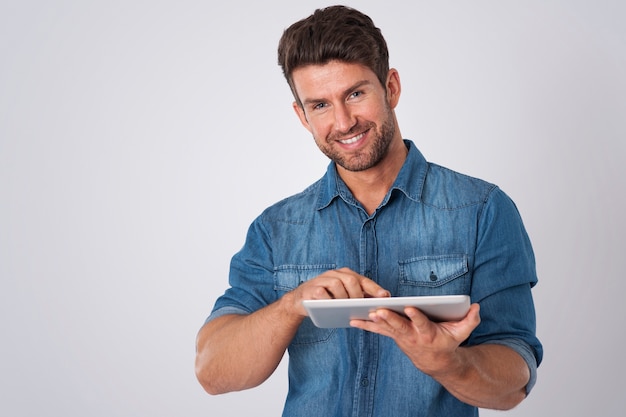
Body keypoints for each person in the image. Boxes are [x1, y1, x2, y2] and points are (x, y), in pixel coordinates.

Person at [195, 5, 543, 416]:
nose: (343, 122)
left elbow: (513, 382)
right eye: (320, 105)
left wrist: (449, 362)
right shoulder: (276, 230)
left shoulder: (482, 210)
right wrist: (292, 305)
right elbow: (213, 372)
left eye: (355, 94)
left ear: (391, 88)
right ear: (302, 116)